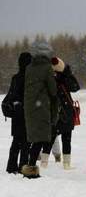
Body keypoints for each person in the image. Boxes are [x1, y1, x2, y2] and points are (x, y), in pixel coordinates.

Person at [22, 41, 58, 179]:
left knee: (34, 137)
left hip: (30, 107)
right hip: (41, 107)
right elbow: (53, 90)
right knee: (40, 139)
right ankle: (31, 169)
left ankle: (30, 167)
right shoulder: (47, 67)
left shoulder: (29, 67)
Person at [41, 57, 80, 170]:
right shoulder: (65, 78)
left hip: (54, 112)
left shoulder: (49, 78)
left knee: (50, 138)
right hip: (66, 111)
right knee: (66, 138)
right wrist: (67, 73)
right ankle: (66, 164)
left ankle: (44, 162)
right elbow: (76, 87)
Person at [6, 52, 32, 174]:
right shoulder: (32, 78)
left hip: (17, 114)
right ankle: (23, 166)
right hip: (28, 113)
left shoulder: (15, 78)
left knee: (16, 142)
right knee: (26, 143)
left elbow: (12, 95)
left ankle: (11, 167)